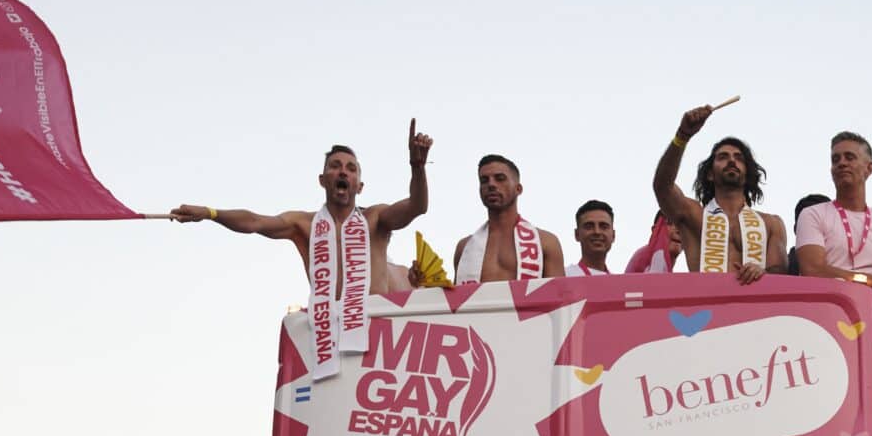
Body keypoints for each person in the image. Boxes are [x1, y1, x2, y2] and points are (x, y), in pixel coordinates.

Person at [169, 126, 434, 298]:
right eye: (335, 166)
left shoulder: (375, 219)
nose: (343, 171)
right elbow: (254, 222)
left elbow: (417, 206)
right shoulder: (304, 224)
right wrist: (210, 213)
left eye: (351, 169)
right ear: (322, 179)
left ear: (360, 186)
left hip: (376, 333)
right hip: (328, 338)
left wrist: (417, 167)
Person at [651, 105, 785, 282]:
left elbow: (782, 274)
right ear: (710, 174)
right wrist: (682, 136)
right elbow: (662, 186)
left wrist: (762, 272)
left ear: (748, 173)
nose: (731, 160)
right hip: (707, 307)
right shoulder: (693, 215)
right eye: (723, 157)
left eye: (739, 158)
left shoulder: (771, 224)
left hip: (755, 308)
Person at [793, 131, 872, 316]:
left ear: (869, 168)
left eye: (850, 157)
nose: (841, 163)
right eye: (835, 159)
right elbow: (812, 270)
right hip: (820, 325)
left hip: (868, 333)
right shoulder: (812, 214)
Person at [453, 154, 564, 283]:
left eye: (500, 178)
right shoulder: (464, 247)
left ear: (518, 189)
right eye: (484, 180)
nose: (491, 184)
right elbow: (457, 300)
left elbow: (558, 298)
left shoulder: (546, 242)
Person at [567, 200, 617, 276]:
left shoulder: (618, 283)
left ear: (613, 235)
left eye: (604, 227)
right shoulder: (564, 276)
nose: (597, 232)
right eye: (589, 227)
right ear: (577, 234)